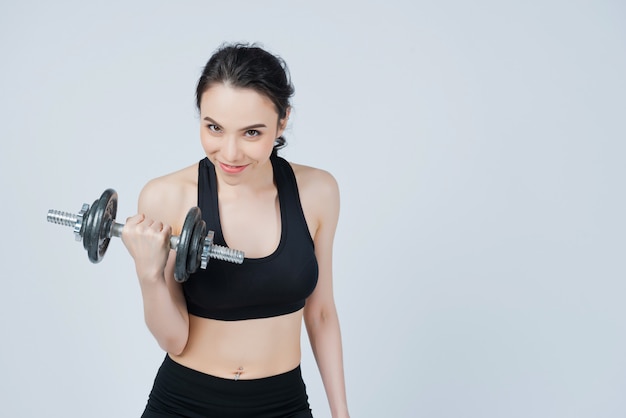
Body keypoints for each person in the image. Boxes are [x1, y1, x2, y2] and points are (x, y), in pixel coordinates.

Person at [121, 43, 350, 418]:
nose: (229, 153)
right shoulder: (166, 197)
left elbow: (321, 313)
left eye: (251, 133)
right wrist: (150, 277)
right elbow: (174, 339)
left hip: (283, 405)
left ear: (282, 120)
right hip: (184, 404)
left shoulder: (318, 192)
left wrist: (341, 414)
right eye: (214, 128)